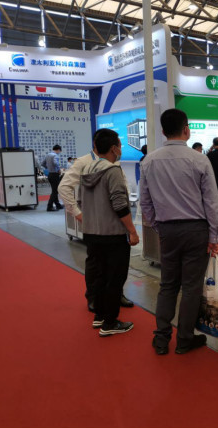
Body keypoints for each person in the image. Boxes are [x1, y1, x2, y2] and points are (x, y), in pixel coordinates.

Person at [139, 108, 218, 355]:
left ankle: (161, 338)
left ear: (163, 131)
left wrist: (158, 225)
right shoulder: (200, 160)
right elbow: (211, 203)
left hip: (167, 230)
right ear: (186, 129)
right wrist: (214, 236)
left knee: (168, 285)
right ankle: (185, 339)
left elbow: (145, 202)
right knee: (191, 287)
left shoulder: (149, 161)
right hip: (196, 230)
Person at [58, 130, 135, 312]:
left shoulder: (114, 163)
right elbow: (64, 187)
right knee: (96, 265)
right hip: (96, 225)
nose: (120, 148)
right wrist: (78, 213)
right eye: (119, 144)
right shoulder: (84, 162)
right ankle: (93, 298)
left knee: (115, 266)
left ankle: (116, 295)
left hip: (114, 224)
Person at [79, 129, 139, 337]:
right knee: (115, 278)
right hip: (112, 234)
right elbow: (120, 204)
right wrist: (132, 231)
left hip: (92, 233)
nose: (121, 149)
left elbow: (80, 201)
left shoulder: (87, 169)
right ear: (114, 148)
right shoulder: (113, 171)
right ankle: (110, 322)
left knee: (100, 276)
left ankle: (100, 316)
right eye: (120, 145)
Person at [43, 144, 63, 212]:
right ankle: (49, 206)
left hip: (50, 174)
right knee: (55, 191)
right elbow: (55, 163)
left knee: (54, 190)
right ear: (58, 150)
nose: (59, 152)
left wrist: (49, 168)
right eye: (60, 151)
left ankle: (58, 205)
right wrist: (58, 169)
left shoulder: (48, 155)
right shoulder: (55, 155)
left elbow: (43, 164)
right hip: (55, 174)